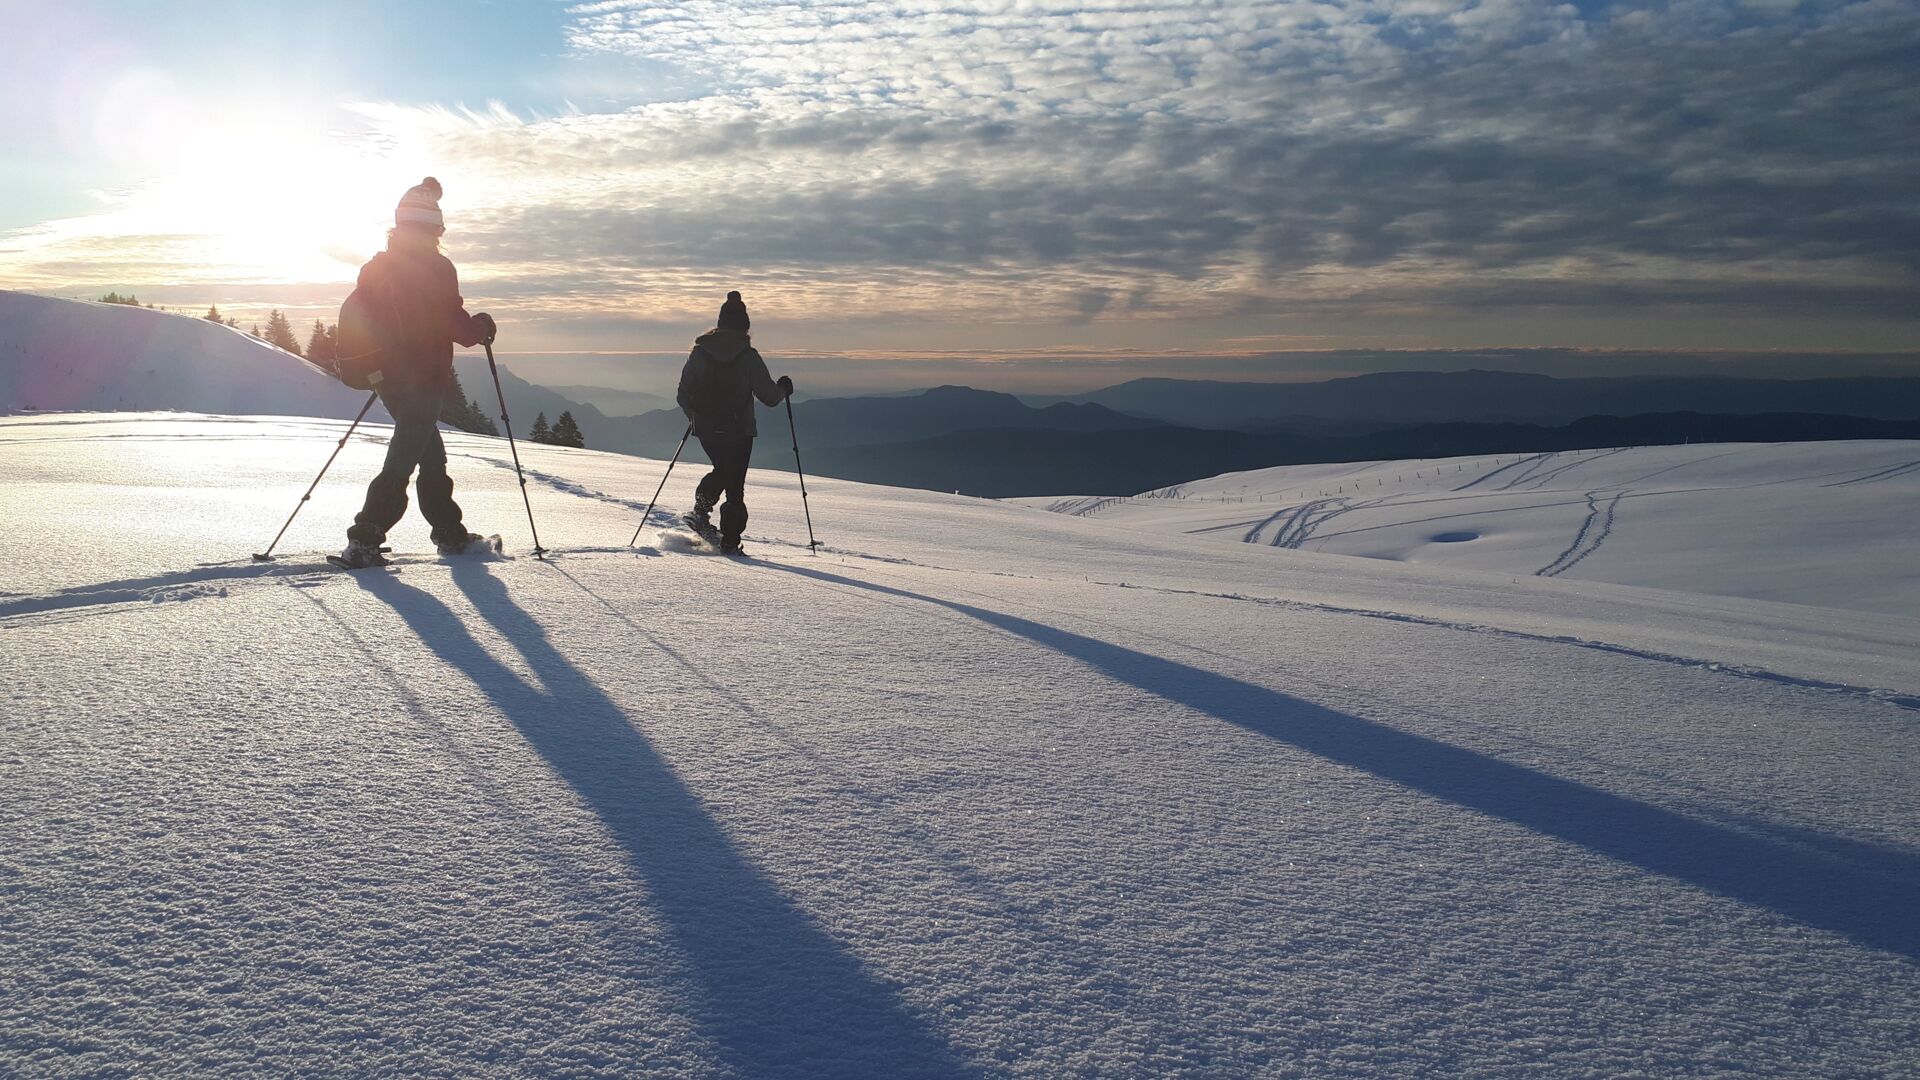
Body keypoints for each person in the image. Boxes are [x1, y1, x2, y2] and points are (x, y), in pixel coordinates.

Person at [339, 177, 497, 568]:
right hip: (422, 377)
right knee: (404, 458)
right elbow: (449, 321)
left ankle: (450, 534)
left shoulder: (378, 266)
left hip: (388, 376)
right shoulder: (436, 267)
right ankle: (365, 536)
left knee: (431, 456)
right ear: (434, 229)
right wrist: (479, 328)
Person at [676, 291, 792, 553]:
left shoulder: (699, 353)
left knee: (723, 470)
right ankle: (728, 539)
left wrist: (697, 418)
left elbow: (683, 394)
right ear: (745, 326)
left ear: (720, 323)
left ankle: (701, 510)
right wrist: (784, 388)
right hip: (739, 430)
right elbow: (770, 397)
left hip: (706, 428)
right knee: (734, 484)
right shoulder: (748, 356)